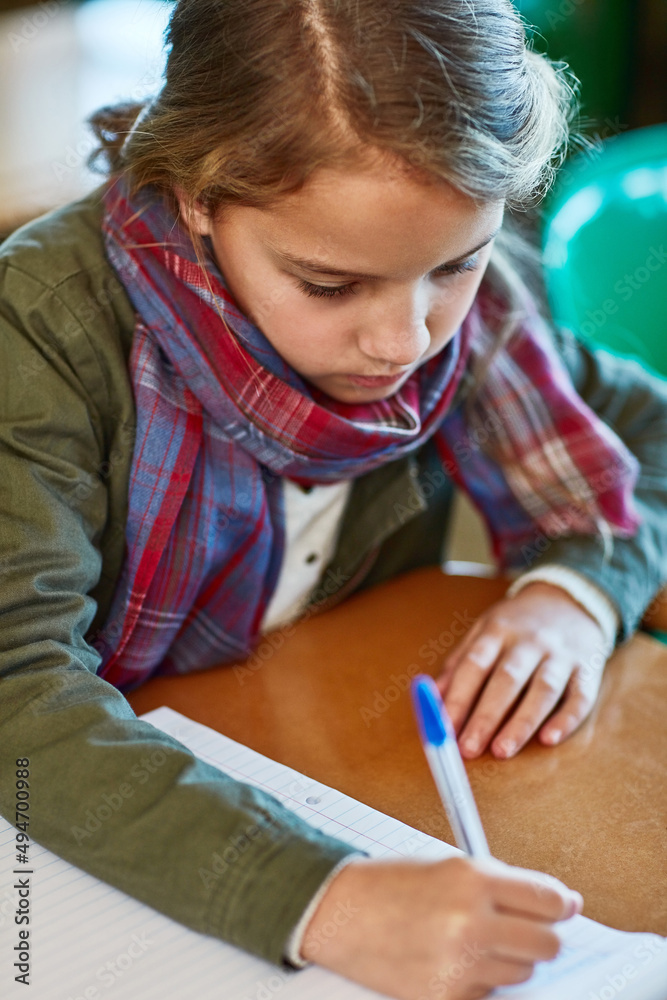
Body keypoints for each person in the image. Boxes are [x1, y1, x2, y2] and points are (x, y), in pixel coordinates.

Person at [1, 1, 666, 998]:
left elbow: (643, 438)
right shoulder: (39, 332)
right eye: (326, 284)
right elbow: (16, 687)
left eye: (456, 265)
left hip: (336, 741)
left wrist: (575, 592)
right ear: (196, 197)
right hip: (108, 816)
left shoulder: (463, 298)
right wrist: (323, 900)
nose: (405, 342)